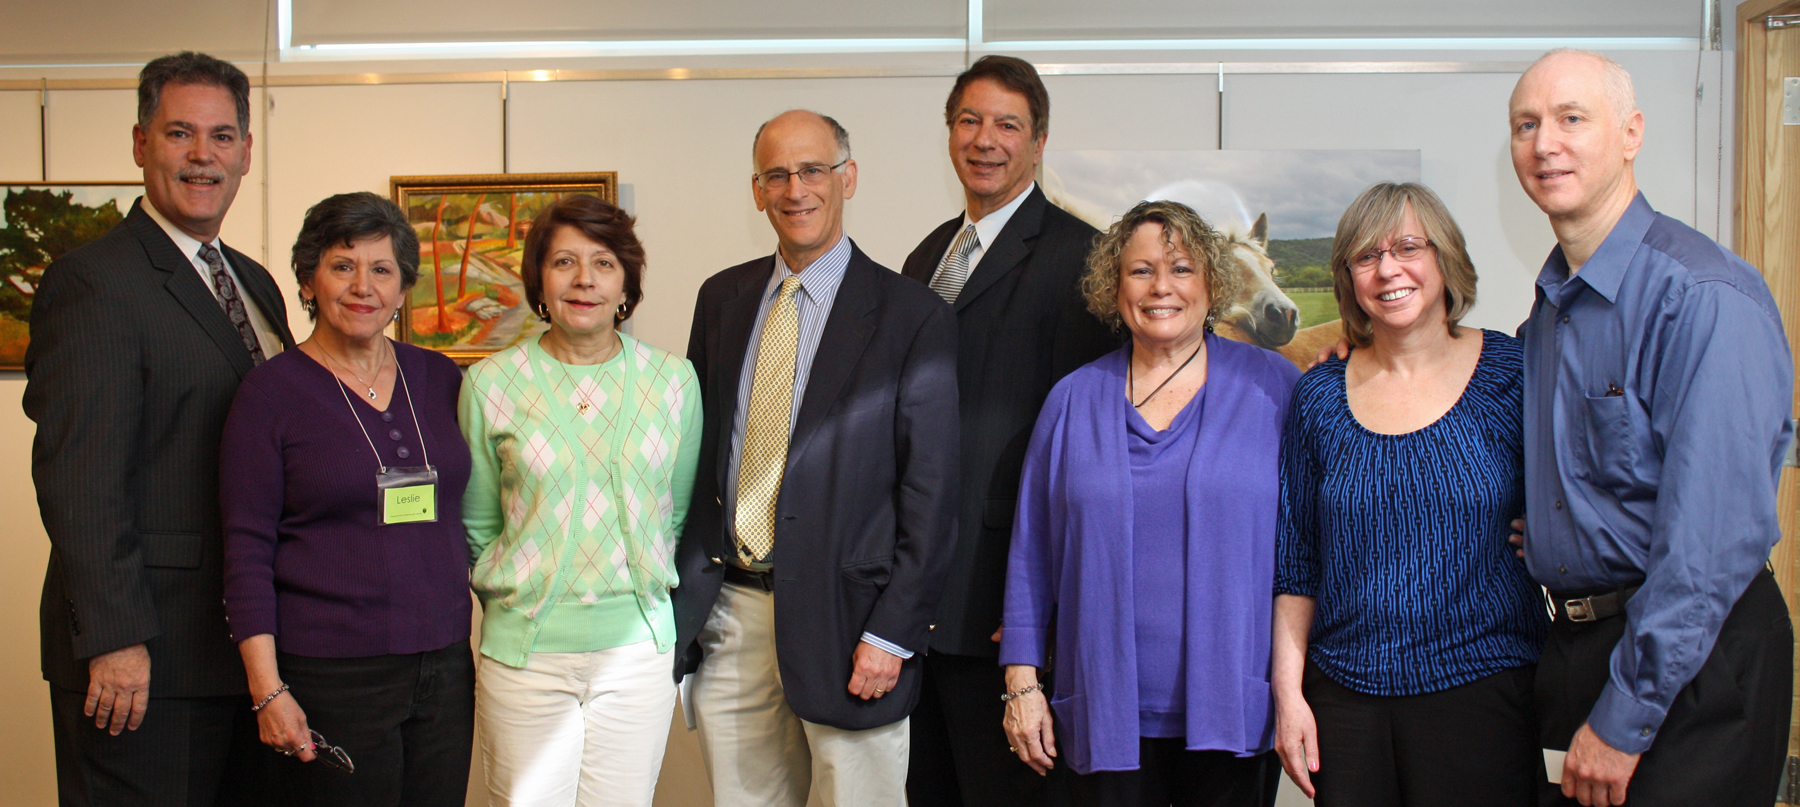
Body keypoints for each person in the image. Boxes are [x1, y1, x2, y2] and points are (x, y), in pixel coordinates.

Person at [1509, 49, 1793, 807]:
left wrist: (1627, 714)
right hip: (1580, 648)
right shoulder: (1545, 316)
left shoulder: (1703, 296)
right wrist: (1549, 529)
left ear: (1631, 133)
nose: (1545, 144)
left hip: (1693, 655)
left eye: (1573, 119)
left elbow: (1712, 538)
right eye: (1526, 124)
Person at [23, 51, 294, 806]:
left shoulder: (255, 281)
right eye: (180, 133)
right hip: (146, 658)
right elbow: (79, 478)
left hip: (244, 654)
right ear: (140, 143)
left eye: (221, 135)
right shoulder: (93, 282)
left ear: (246, 150)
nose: (203, 155)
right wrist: (113, 638)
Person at [672, 109, 959, 807]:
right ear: (757, 189)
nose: (795, 188)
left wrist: (894, 630)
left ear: (847, 178)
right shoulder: (722, 299)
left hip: (851, 622)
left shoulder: (911, 314)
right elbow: (694, 456)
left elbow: (933, 490)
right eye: (777, 174)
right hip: (732, 615)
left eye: (813, 170)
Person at [1000, 200, 1296, 806]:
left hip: (1233, 710)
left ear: (1213, 282)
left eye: (1182, 269)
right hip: (1103, 709)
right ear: (1114, 287)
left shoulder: (1275, 388)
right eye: (1141, 271)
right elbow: (1032, 553)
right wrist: (1021, 683)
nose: (1162, 287)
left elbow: (1314, 538)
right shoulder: (1073, 400)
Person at [1270, 182, 1546, 807]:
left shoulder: (1513, 373)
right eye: (1366, 256)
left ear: (1444, 258)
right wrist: (1289, 697)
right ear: (1349, 279)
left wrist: (1564, 536)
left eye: (1407, 247)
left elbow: (1578, 485)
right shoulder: (1318, 398)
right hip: (1345, 700)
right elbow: (1296, 565)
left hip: (1483, 689)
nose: (1387, 268)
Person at [900, 55, 1118, 807]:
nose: (984, 139)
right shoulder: (928, 254)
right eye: (969, 120)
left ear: (1039, 141)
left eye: (1007, 124)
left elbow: (1089, 450)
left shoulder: (1082, 256)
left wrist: (1046, 608)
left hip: (1005, 608)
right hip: (919, 604)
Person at [220, 191, 474, 805]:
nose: (364, 286)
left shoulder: (441, 379)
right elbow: (246, 552)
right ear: (308, 280)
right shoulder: (269, 394)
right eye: (343, 266)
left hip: (443, 666)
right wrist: (268, 690)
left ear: (403, 288)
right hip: (331, 676)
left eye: (382, 269)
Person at [459, 193, 701, 807]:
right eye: (564, 262)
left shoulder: (673, 382)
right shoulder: (491, 383)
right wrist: (522, 588)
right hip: (525, 656)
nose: (584, 280)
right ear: (539, 279)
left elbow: (672, 514)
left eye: (603, 262)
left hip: (636, 653)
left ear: (626, 283)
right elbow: (479, 523)